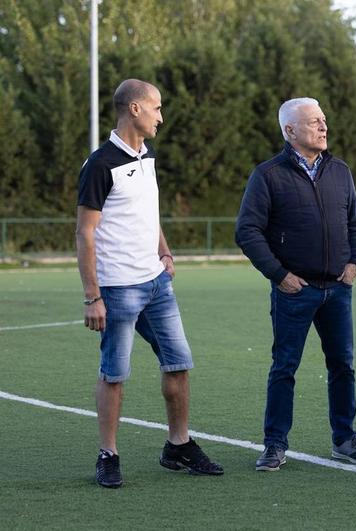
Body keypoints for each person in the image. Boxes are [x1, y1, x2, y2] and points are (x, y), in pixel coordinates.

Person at [76, 79, 223, 488]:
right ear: (135, 109)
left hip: (157, 284)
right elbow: (85, 233)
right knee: (115, 374)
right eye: (156, 108)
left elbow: (147, 212)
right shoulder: (100, 165)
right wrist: (93, 296)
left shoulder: (148, 155)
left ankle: (178, 445)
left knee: (178, 364)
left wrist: (165, 251)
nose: (161, 116)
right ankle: (109, 454)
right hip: (118, 289)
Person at [235, 97, 356, 471]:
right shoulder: (268, 175)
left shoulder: (340, 171)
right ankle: (275, 444)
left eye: (324, 120)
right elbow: (247, 231)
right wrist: (279, 275)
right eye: (314, 122)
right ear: (290, 130)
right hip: (294, 291)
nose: (323, 127)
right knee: (285, 367)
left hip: (337, 289)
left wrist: (355, 264)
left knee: (342, 365)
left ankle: (345, 439)